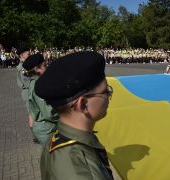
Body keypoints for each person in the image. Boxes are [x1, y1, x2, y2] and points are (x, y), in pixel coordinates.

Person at [36, 51, 114, 180]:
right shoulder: (83, 171)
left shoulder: (56, 139)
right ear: (83, 104)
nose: (109, 95)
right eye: (105, 91)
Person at [22, 54, 59, 145]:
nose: (47, 67)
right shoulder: (38, 86)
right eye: (44, 65)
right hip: (47, 129)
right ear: (37, 69)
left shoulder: (37, 82)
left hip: (46, 127)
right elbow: (48, 113)